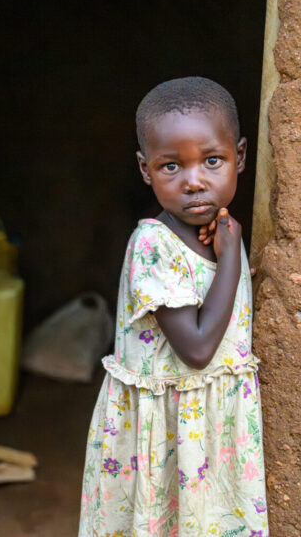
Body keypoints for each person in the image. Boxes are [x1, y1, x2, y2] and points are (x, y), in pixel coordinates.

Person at [78, 77, 268, 536]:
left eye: (213, 160)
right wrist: (229, 259)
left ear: (239, 157)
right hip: (163, 433)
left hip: (214, 430)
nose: (194, 181)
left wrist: (229, 250)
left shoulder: (224, 231)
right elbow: (197, 350)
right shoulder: (153, 246)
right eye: (171, 167)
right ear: (146, 170)